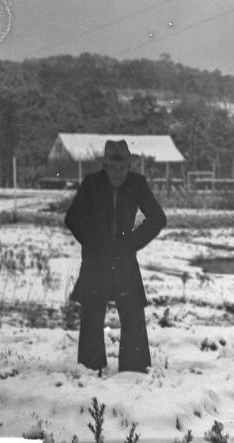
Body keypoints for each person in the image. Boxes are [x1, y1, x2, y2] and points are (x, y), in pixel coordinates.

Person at [65, 139, 167, 373]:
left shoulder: (137, 184)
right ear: (105, 166)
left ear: (130, 167)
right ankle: (91, 370)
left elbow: (158, 218)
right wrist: (93, 243)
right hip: (95, 263)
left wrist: (131, 242)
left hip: (124, 262)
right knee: (91, 316)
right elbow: (72, 217)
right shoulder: (91, 183)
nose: (119, 173)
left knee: (133, 318)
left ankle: (134, 372)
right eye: (114, 168)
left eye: (124, 168)